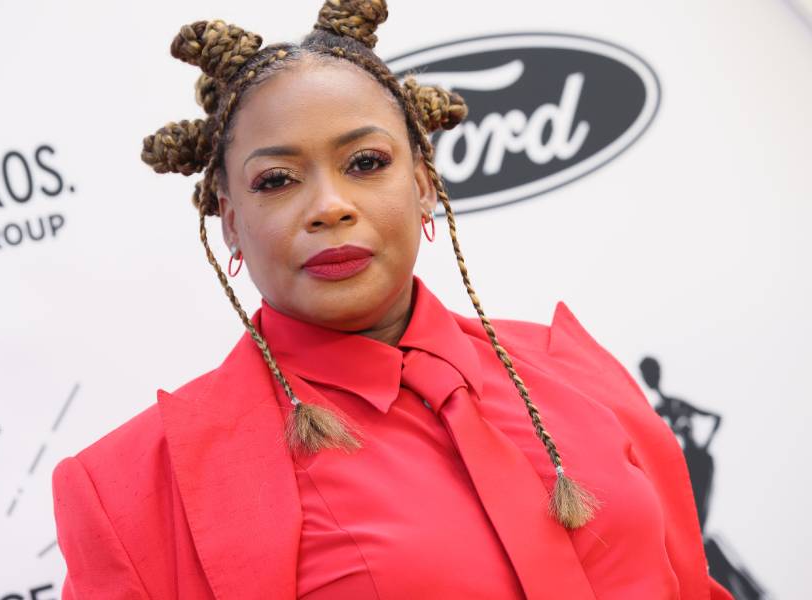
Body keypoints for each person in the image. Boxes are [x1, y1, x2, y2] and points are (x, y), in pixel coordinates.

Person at [51, 1, 732, 598]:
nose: (330, 206)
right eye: (278, 180)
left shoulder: (576, 372)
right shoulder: (135, 489)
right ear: (229, 220)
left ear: (425, 181)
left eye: (366, 163)